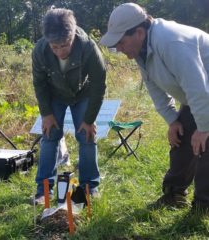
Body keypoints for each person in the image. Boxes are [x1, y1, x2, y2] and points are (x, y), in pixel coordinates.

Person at [100, 3, 209, 212]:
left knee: (205, 145)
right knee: (181, 137)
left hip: (203, 92)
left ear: (139, 32)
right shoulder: (141, 49)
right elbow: (155, 90)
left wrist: (204, 128)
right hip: (198, 96)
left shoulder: (171, 41)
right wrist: (173, 120)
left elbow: (198, 88)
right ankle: (174, 195)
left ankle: (204, 206)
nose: (119, 49)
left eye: (121, 42)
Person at [32, 8, 106, 204]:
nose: (59, 51)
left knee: (87, 136)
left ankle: (90, 187)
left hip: (83, 94)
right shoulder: (40, 50)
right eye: (54, 47)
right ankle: (44, 191)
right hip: (54, 94)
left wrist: (89, 120)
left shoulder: (89, 47)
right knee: (49, 136)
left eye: (64, 45)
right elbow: (39, 84)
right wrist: (46, 114)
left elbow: (99, 85)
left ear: (73, 35)